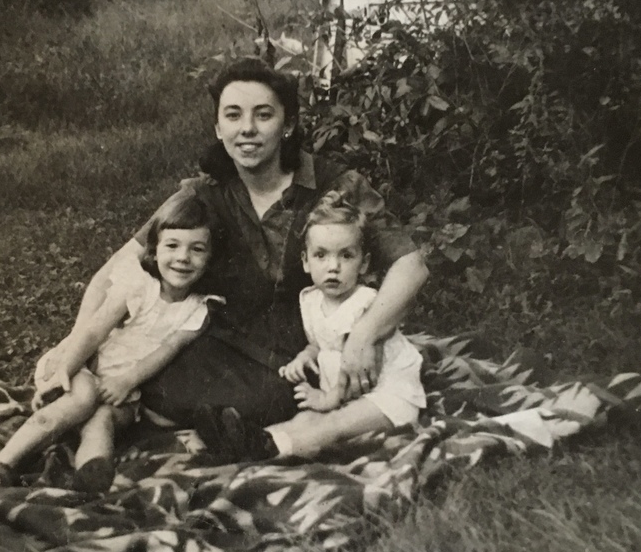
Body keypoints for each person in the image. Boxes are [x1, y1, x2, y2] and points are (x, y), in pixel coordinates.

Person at [47, 56, 429, 458]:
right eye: (233, 115)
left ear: (289, 125)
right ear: (219, 128)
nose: (247, 129)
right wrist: (74, 350)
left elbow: (411, 264)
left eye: (263, 115)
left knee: (283, 398)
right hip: (217, 348)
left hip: (302, 357)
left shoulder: (336, 187)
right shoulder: (202, 194)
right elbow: (113, 273)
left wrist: (364, 337)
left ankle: (243, 431)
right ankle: (170, 427)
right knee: (150, 383)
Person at [0, 192, 222, 492]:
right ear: (154, 250)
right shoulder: (138, 286)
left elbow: (167, 350)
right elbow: (93, 332)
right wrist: (65, 369)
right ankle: (2, 463)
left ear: (211, 258)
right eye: (172, 246)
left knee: (105, 419)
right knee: (83, 398)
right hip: (84, 364)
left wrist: (127, 381)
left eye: (197, 249)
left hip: (125, 387)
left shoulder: (199, 307)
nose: (182, 258)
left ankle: (91, 480)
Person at [194, 190, 427, 461]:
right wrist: (304, 357)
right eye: (321, 255)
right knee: (305, 419)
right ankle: (241, 440)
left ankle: (266, 448)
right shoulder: (310, 300)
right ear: (305, 261)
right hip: (339, 394)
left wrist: (327, 400)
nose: (333, 267)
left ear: (363, 264)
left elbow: (364, 372)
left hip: (387, 395)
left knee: (332, 425)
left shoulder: (364, 304)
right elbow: (320, 341)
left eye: (346, 256)